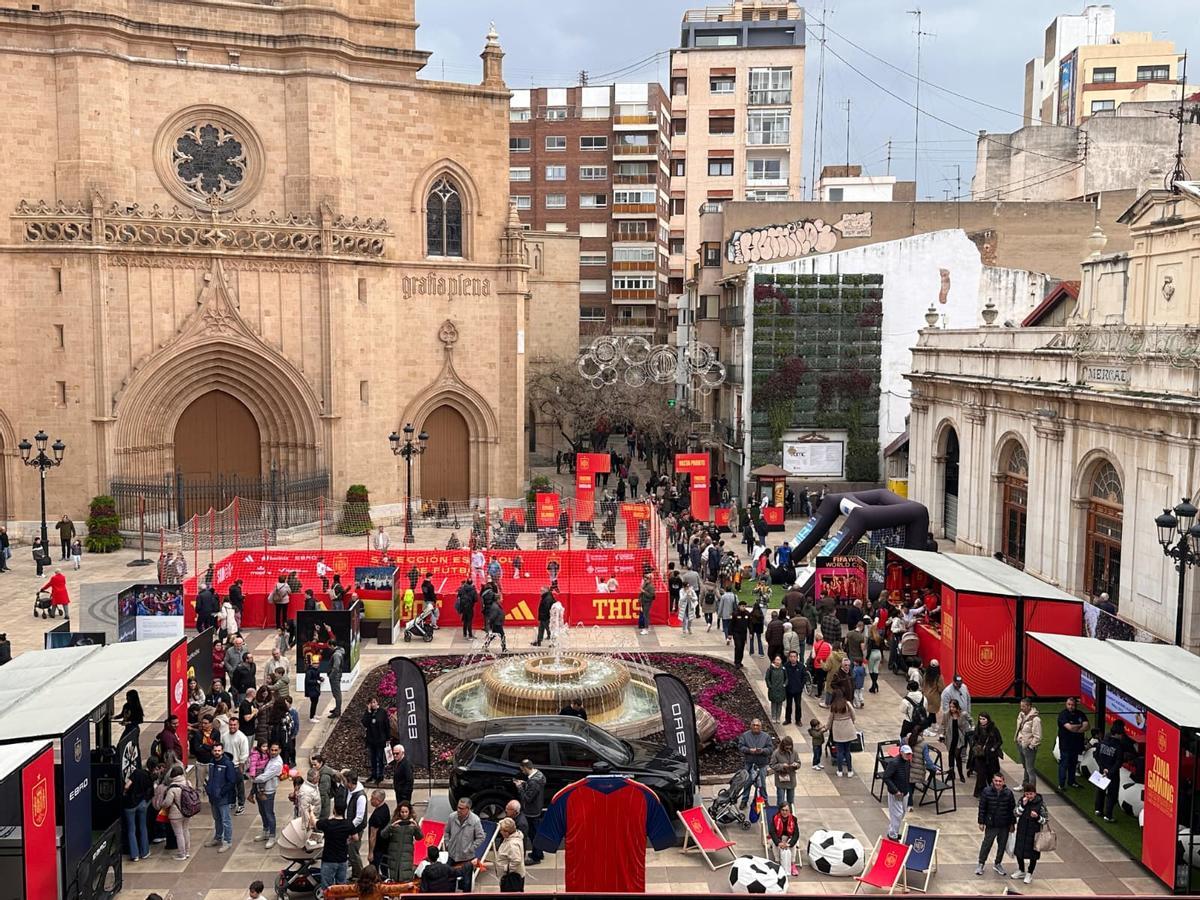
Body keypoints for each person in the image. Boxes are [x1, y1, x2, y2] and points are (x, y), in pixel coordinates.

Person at [975, 772, 1016, 877]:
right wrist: (981, 822)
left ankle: (998, 863)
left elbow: (1012, 809)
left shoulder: (1008, 793)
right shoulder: (986, 791)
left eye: (1000, 781)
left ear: (1003, 782)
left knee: (1002, 845)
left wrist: (1012, 824)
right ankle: (981, 863)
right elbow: (982, 807)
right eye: (996, 781)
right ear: (993, 781)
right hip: (991, 824)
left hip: (1004, 824)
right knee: (986, 844)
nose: (998, 783)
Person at [312, 799, 357, 891]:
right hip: (342, 860)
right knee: (341, 887)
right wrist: (348, 841)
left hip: (329, 860)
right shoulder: (348, 824)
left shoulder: (327, 823)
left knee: (327, 888)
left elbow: (314, 822)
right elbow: (356, 837)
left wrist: (310, 811)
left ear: (334, 810)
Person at [445, 797, 485, 893]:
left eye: (461, 808)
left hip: (467, 858)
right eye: (458, 807)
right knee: (449, 880)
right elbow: (446, 832)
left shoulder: (475, 820)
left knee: (466, 883)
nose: (459, 810)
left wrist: (471, 848)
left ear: (468, 809)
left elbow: (481, 837)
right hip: (452, 855)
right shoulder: (452, 817)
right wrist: (447, 844)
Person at [1012, 781, 1048, 885]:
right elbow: (1016, 813)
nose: (1029, 796)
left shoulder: (1041, 804)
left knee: (1033, 854)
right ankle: (1021, 870)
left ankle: (1029, 873)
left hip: (1034, 833)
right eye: (1027, 794)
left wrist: (1037, 817)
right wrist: (1022, 806)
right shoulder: (1022, 801)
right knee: (1019, 851)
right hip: (1022, 830)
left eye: (1031, 794)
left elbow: (1045, 820)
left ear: (1035, 793)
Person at [205, 742, 238, 852]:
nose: (217, 752)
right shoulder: (211, 762)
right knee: (217, 818)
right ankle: (218, 837)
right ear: (212, 751)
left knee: (226, 820)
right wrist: (208, 789)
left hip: (223, 797)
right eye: (215, 750)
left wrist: (221, 792)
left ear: (222, 751)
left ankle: (227, 841)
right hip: (213, 797)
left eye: (219, 750)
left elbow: (232, 781)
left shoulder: (227, 764)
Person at [1094, 721, 1129, 821]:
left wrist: (1102, 768)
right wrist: (1109, 772)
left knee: (1100, 791)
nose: (1122, 736)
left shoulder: (1103, 742)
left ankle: (1098, 810)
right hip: (1112, 774)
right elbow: (1118, 762)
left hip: (1102, 771)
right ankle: (1108, 816)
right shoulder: (1119, 747)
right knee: (1112, 795)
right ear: (1117, 734)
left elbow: (1096, 755)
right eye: (1121, 734)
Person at [380, 802, 423, 882]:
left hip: (406, 855)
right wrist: (391, 827)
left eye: (406, 812)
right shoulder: (394, 821)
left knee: (405, 877)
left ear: (409, 812)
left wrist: (416, 827)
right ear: (399, 812)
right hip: (394, 855)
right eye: (402, 812)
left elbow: (419, 837)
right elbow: (383, 835)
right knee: (393, 877)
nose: (404, 814)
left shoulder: (412, 822)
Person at [252, 743, 284, 849]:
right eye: (272, 750)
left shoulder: (277, 763)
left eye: (275, 750)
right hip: (260, 789)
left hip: (269, 791)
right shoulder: (269, 758)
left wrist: (253, 778)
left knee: (269, 813)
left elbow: (264, 777)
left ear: (279, 750)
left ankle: (272, 836)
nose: (273, 752)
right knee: (262, 812)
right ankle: (265, 831)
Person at [122, 757, 154, 862]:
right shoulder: (150, 778)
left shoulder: (137, 773)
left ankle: (134, 854)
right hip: (142, 804)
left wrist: (125, 793)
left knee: (131, 830)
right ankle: (144, 852)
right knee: (143, 827)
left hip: (130, 805)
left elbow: (127, 785)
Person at [515, 759, 546, 864]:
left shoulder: (533, 782)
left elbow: (527, 798)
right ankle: (539, 853)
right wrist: (525, 784)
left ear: (525, 768)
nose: (522, 772)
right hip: (537, 808)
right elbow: (534, 790)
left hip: (531, 812)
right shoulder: (539, 775)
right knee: (536, 832)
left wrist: (520, 787)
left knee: (533, 834)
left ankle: (536, 857)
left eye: (522, 769)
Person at [736, 719, 772, 808]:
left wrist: (762, 751)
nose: (755, 727)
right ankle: (744, 800)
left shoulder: (766, 737)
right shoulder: (745, 735)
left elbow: (770, 749)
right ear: (751, 726)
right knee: (747, 783)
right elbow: (740, 747)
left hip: (761, 765)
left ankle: (764, 800)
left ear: (761, 727)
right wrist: (749, 750)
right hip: (749, 764)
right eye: (754, 725)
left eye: (757, 725)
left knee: (762, 784)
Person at [968, 712, 1003, 799]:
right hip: (980, 756)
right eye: (980, 719)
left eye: (983, 719)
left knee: (991, 775)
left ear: (988, 719)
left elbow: (999, 741)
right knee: (981, 775)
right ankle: (980, 793)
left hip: (991, 756)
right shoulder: (978, 728)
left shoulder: (993, 729)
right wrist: (977, 746)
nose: (981, 721)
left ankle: (993, 791)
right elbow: (974, 739)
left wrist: (994, 748)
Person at [1056, 696, 1089, 790]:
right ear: (1066, 704)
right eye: (1069, 704)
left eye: (1072, 705)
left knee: (1073, 764)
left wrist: (1076, 729)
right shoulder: (1063, 715)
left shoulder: (1080, 714)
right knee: (1064, 764)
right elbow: (1069, 727)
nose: (1070, 706)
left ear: (1075, 705)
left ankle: (1072, 781)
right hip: (1065, 745)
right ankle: (1061, 785)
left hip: (1076, 744)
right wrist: (1079, 726)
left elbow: (1087, 726)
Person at [160, 764, 192, 860]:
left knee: (179, 834)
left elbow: (167, 803)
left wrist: (161, 804)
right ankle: (187, 852)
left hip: (176, 814)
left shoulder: (172, 788)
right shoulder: (188, 783)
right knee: (186, 831)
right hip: (187, 811)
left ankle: (181, 854)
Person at [883, 744, 913, 840]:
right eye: (907, 754)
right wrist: (895, 791)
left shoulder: (907, 762)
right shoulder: (894, 763)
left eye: (909, 754)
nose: (908, 756)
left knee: (902, 812)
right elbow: (886, 777)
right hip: (896, 793)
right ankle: (893, 834)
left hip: (904, 792)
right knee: (897, 814)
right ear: (901, 753)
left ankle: (893, 831)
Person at [344, 771, 370, 877]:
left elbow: (359, 818)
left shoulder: (360, 797)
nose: (344, 783)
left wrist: (349, 828)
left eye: (345, 781)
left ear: (350, 782)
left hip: (355, 830)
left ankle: (360, 875)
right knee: (350, 852)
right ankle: (355, 874)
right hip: (350, 826)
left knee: (353, 853)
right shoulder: (350, 791)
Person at [1014, 698, 1043, 787]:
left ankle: (1032, 790)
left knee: (1030, 769)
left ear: (1029, 706)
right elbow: (1019, 728)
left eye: (1023, 706)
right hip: (1021, 744)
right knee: (1025, 767)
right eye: (1021, 706)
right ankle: (1025, 785)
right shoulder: (1021, 715)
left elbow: (1038, 736)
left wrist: (1031, 746)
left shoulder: (1036, 719)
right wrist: (1018, 739)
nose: (1021, 708)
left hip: (1028, 747)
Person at [827, 697, 858, 778]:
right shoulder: (847, 704)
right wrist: (852, 721)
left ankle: (840, 770)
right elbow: (853, 714)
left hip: (838, 731)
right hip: (848, 729)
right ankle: (850, 770)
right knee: (847, 751)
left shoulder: (833, 706)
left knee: (840, 752)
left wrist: (827, 727)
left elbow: (830, 719)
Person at [943, 698, 973, 784]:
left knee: (957, 756)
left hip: (959, 738)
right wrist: (942, 734)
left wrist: (972, 727)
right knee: (950, 755)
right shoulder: (947, 714)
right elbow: (943, 725)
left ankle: (961, 774)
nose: (951, 708)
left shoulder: (963, 714)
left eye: (953, 707)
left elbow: (970, 720)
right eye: (950, 707)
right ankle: (951, 774)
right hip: (950, 738)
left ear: (957, 707)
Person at [362, 698, 391, 785]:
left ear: (377, 702)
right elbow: (365, 723)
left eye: (374, 702)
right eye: (371, 703)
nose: (373, 704)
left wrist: (388, 738)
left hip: (380, 740)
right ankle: (373, 774)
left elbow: (386, 725)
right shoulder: (368, 713)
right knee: (373, 758)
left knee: (380, 758)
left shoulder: (382, 712)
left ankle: (380, 775)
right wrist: (368, 712)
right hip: (371, 740)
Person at [769, 802, 800, 877]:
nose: (784, 812)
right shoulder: (775, 818)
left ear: (789, 811)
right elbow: (772, 832)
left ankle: (792, 864)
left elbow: (796, 834)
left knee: (794, 843)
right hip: (778, 838)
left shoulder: (793, 819)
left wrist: (789, 844)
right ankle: (777, 862)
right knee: (775, 843)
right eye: (783, 810)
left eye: (786, 810)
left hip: (788, 838)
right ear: (780, 810)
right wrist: (778, 843)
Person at [495, 816, 526, 892]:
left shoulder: (512, 844)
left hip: (511, 878)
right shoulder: (514, 838)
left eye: (501, 830)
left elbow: (516, 860)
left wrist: (506, 870)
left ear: (506, 832)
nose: (500, 832)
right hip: (513, 876)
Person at [769, 735, 799, 807]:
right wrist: (782, 766)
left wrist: (796, 765)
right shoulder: (776, 753)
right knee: (780, 801)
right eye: (786, 748)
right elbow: (772, 765)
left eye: (790, 747)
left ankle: (790, 813)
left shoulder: (794, 752)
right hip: (781, 781)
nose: (788, 749)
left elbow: (798, 762)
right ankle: (779, 813)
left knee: (791, 801)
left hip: (791, 780)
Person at [366, 790, 390, 869]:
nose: (370, 800)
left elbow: (373, 836)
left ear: (378, 800)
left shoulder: (376, 816)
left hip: (377, 848)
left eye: (372, 798)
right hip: (385, 845)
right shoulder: (385, 807)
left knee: (374, 868)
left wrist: (370, 852)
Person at [782, 650, 806, 726]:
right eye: (791, 656)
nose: (793, 658)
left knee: (798, 706)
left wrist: (801, 686)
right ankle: (788, 719)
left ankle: (798, 720)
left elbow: (804, 677)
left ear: (797, 657)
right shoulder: (785, 666)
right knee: (788, 705)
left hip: (798, 690)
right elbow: (783, 676)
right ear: (789, 657)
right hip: (788, 690)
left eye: (794, 656)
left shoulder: (801, 666)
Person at [765, 655, 787, 723]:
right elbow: (767, 678)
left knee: (780, 704)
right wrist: (770, 686)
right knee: (774, 704)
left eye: (779, 660)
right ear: (774, 660)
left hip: (781, 689)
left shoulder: (783, 669)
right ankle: (773, 717)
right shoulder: (770, 669)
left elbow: (786, 678)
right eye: (776, 660)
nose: (778, 661)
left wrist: (784, 685)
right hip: (773, 689)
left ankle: (778, 717)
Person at [327, 638, 346, 718]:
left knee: (337, 694)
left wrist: (331, 676)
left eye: (329, 646)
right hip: (336, 675)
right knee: (336, 693)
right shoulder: (340, 651)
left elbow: (336, 667)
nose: (328, 648)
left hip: (335, 676)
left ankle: (337, 711)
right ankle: (337, 707)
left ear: (332, 645)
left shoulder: (336, 655)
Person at [392, 742, 413, 807]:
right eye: (394, 753)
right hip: (399, 792)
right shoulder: (398, 762)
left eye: (397, 753)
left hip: (404, 795)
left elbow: (409, 780)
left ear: (402, 753)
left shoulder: (406, 764)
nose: (395, 755)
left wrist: (404, 793)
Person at [730, 600, 750, 669]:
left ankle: (740, 661)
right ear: (739, 606)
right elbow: (731, 624)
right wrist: (730, 634)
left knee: (742, 648)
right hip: (736, 633)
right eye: (742, 606)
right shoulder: (735, 613)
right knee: (738, 646)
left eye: (745, 606)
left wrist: (751, 632)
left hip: (743, 634)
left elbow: (749, 624)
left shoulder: (747, 613)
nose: (744, 607)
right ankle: (736, 662)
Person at [637, 571, 655, 636]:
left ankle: (646, 629)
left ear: (649, 579)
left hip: (647, 602)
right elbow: (641, 592)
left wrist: (644, 591)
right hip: (643, 602)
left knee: (646, 616)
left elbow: (651, 595)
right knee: (644, 615)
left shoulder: (651, 586)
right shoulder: (645, 584)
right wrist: (639, 598)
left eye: (646, 579)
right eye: (644, 579)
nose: (645, 581)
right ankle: (645, 627)